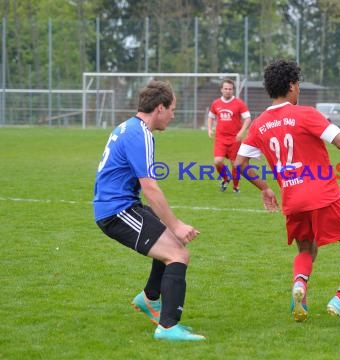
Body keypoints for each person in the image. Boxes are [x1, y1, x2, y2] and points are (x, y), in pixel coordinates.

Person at [235, 59, 340, 328]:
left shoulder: (259, 124)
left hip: (292, 200)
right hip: (323, 195)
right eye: (298, 85)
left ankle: (300, 286)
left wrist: (264, 188)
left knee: (306, 248)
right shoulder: (305, 114)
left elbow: (239, 164)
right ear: (292, 86)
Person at [93, 80, 205, 341]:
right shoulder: (140, 133)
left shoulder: (128, 127)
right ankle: (167, 327)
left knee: (172, 241)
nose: (173, 115)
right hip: (116, 211)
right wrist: (175, 224)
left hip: (122, 204)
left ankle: (149, 298)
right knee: (178, 253)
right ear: (159, 108)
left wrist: (172, 226)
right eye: (172, 109)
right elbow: (150, 188)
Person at [207, 78, 252, 193]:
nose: (228, 91)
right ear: (221, 90)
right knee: (217, 161)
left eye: (230, 89)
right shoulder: (216, 103)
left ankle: (236, 187)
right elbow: (211, 117)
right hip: (220, 138)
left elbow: (247, 118)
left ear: (233, 90)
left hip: (235, 139)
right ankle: (225, 179)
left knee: (235, 164)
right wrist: (209, 129)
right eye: (225, 89)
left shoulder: (239, 103)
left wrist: (241, 132)